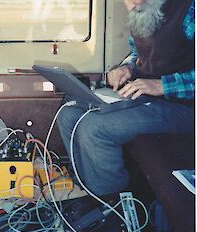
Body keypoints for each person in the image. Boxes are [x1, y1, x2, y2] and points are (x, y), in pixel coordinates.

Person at [57, 0, 195, 196]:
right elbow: (139, 54)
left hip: (184, 108)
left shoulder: (189, 10)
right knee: (69, 113)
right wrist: (127, 67)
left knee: (95, 127)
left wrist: (164, 85)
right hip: (146, 98)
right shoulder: (142, 10)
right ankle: (88, 189)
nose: (129, 5)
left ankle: (112, 205)